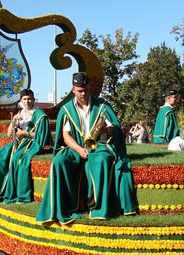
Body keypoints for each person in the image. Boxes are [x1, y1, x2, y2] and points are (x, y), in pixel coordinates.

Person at [36, 72, 138, 224]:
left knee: (102, 160)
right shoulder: (67, 109)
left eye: (85, 89)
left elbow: (114, 129)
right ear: (73, 90)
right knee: (59, 161)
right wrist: (79, 150)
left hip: (99, 145)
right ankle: (66, 207)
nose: (83, 93)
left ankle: (97, 207)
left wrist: (106, 129)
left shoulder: (102, 105)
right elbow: (66, 136)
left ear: (89, 87)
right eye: (79, 90)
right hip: (76, 146)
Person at [0, 89, 51, 203]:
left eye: (29, 99)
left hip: (31, 143)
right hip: (17, 142)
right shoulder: (20, 114)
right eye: (24, 99)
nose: (27, 101)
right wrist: (13, 122)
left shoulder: (40, 115)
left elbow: (42, 136)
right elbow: (9, 134)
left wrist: (25, 133)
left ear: (33, 100)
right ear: (21, 100)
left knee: (18, 160)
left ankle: (18, 194)